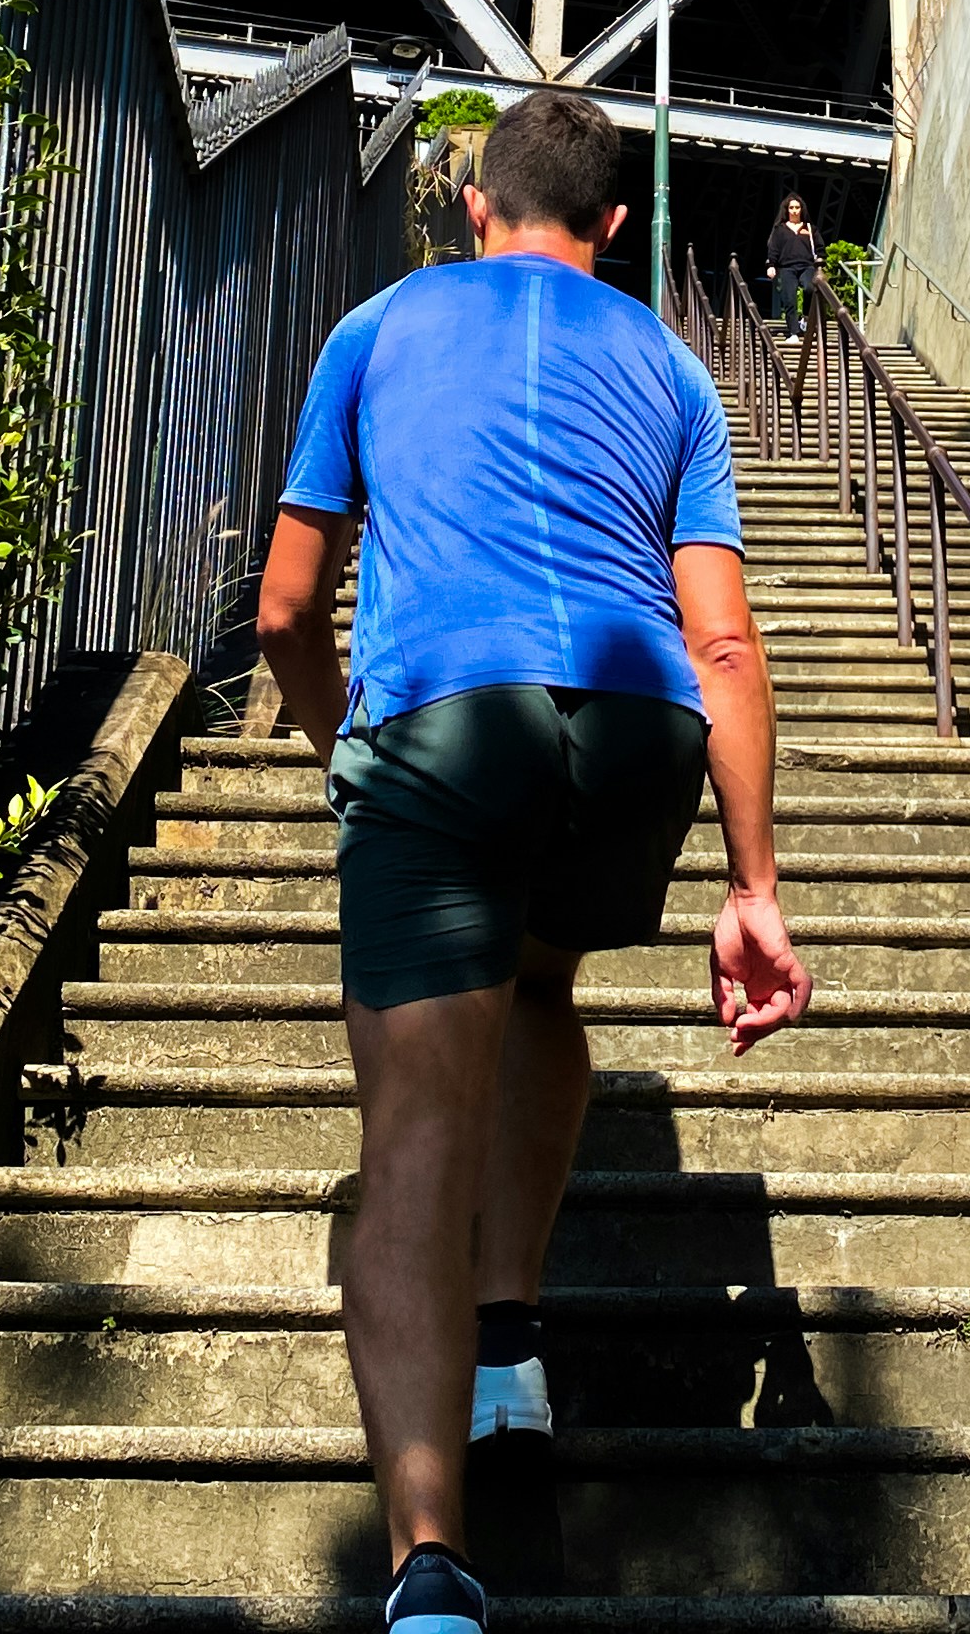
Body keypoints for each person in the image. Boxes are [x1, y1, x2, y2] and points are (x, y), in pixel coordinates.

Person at [255, 86, 811, 1634]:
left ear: (473, 204)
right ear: (614, 226)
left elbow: (287, 611)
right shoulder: (675, 364)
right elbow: (723, 642)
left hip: (445, 717)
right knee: (545, 986)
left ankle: (432, 1567)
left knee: (411, 1139)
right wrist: (755, 890)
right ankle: (508, 1336)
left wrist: (347, 748)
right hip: (636, 728)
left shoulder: (374, 329)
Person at [761, 193, 823, 331]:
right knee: (789, 299)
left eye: (797, 207)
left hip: (807, 266)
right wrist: (771, 265)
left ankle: (805, 318)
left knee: (810, 289)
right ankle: (793, 332)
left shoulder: (810, 228)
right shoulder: (780, 229)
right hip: (786, 268)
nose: (794, 211)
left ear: (801, 209)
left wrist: (820, 261)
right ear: (787, 210)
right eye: (791, 208)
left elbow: (820, 247)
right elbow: (774, 248)